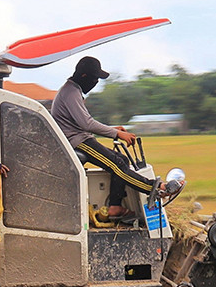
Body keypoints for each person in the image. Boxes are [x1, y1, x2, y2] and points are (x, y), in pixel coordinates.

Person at [51, 56, 162, 221]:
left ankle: (115, 206)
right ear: (84, 76)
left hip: (81, 138)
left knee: (122, 158)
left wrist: (112, 129)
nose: (95, 82)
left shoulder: (73, 90)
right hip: (77, 142)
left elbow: (83, 122)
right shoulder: (70, 93)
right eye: (94, 78)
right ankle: (156, 188)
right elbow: (87, 124)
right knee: (117, 164)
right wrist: (117, 134)